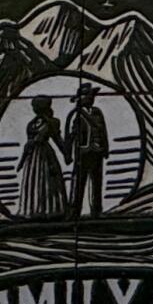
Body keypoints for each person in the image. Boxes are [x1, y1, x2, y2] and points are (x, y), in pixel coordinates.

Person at [17, 96, 66, 220]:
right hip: (32, 155)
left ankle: (50, 210)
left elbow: (57, 139)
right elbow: (28, 142)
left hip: (45, 153)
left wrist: (66, 153)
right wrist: (22, 160)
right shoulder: (31, 124)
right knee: (33, 180)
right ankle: (33, 210)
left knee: (47, 181)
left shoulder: (53, 122)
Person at [66, 85, 112, 216]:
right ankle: (75, 211)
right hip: (83, 152)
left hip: (97, 151)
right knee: (79, 182)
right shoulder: (77, 114)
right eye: (88, 96)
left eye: (92, 96)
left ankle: (96, 210)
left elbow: (103, 131)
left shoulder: (97, 112)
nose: (91, 98)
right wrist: (68, 154)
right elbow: (71, 135)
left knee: (97, 182)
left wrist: (105, 148)